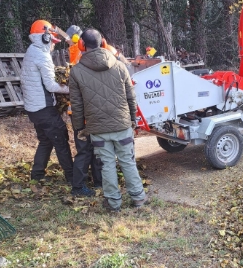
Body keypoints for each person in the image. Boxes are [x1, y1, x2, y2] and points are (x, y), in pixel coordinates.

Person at [69, 28, 147, 212]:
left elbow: (77, 105)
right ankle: (138, 198)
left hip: (98, 129)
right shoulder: (120, 66)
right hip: (122, 124)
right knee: (127, 161)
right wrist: (133, 119)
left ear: (82, 45)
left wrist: (79, 128)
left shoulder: (76, 72)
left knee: (107, 165)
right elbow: (131, 96)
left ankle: (113, 203)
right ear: (103, 43)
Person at [20, 20, 73, 183]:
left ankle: (37, 175)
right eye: (53, 42)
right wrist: (71, 89)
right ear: (45, 38)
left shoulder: (31, 51)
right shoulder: (42, 56)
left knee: (46, 140)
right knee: (60, 137)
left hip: (33, 108)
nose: (53, 46)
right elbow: (51, 86)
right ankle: (72, 178)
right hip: (43, 108)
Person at [65, 25, 103, 196]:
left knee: (92, 150)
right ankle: (79, 187)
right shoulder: (80, 60)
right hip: (84, 114)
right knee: (87, 150)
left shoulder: (78, 58)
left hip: (85, 114)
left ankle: (97, 181)